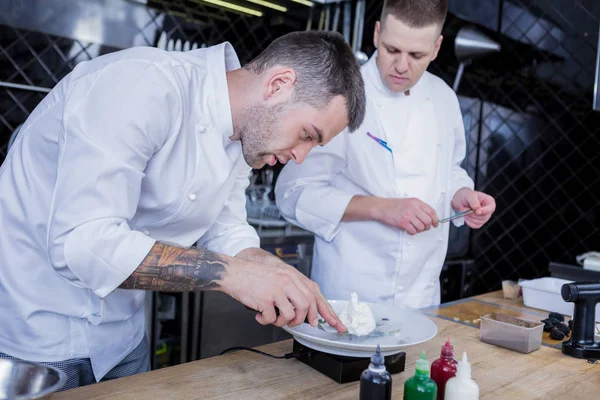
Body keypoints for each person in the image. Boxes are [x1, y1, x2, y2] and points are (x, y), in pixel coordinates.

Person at [0, 31, 366, 390]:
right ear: (278, 85)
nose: (300, 157)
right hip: (36, 335)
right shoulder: (140, 84)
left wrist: (269, 268)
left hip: (122, 339)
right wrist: (232, 275)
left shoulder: (245, 132)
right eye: (307, 135)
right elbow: (82, 244)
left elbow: (226, 226)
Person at [275, 0, 496, 310]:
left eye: (416, 55)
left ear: (436, 48)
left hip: (422, 299)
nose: (401, 65)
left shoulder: (444, 98)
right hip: (348, 299)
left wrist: (462, 195)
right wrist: (382, 209)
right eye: (392, 50)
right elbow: (292, 195)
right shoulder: (341, 97)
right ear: (377, 33)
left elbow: (450, 169)